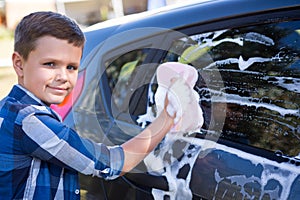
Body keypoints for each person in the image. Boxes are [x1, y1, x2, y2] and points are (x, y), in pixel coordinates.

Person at [0, 11, 197, 199]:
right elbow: (110, 164)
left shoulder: (10, 108)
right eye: (50, 64)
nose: (63, 77)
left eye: (71, 67)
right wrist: (168, 115)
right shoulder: (29, 121)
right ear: (19, 64)